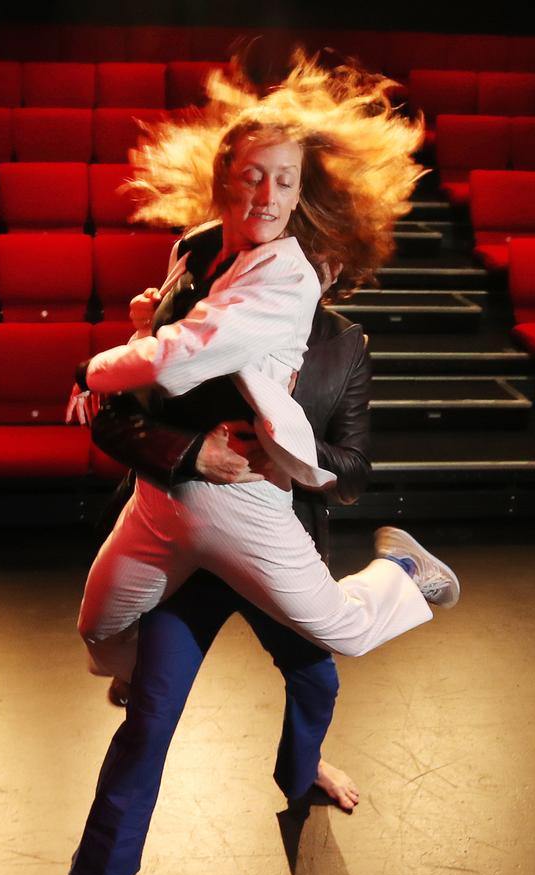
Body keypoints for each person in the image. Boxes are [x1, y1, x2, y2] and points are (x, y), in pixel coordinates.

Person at [70, 53, 457, 689]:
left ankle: (405, 573)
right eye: (255, 176)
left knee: (348, 632)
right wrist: (143, 325)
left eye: (285, 181)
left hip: (244, 498)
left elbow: (173, 362)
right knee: (98, 627)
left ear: (300, 190)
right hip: (160, 498)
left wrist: (92, 369)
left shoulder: (286, 279)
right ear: (225, 179)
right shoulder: (195, 246)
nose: (270, 197)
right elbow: (161, 351)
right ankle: (142, 681)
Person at [70, 256, 371, 875]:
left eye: (321, 249)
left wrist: (294, 459)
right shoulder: (196, 310)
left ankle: (303, 771)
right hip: (184, 553)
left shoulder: (345, 344)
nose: (302, 258)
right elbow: (112, 420)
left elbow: (355, 469)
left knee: (317, 678)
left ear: (340, 264)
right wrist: (188, 453)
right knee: (152, 715)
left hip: (275, 550)